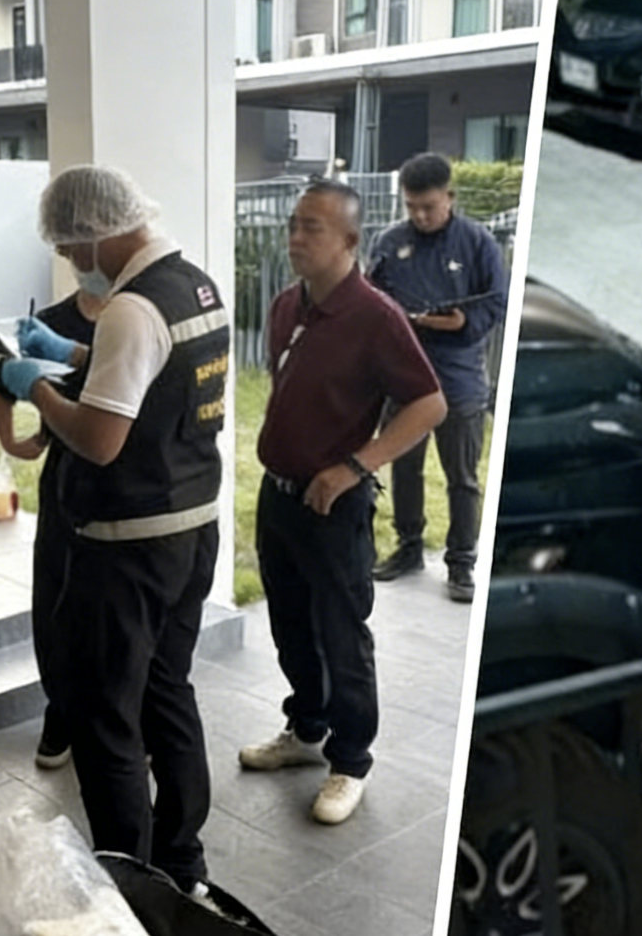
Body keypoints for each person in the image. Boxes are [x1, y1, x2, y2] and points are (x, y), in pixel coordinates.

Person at [0, 165, 228, 899]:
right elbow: (152, 372)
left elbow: (98, 440)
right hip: (192, 528)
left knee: (105, 717)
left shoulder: (131, 308)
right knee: (167, 692)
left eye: (69, 245)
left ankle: (130, 884)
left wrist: (36, 386)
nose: (70, 260)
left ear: (98, 230)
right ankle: (182, 864)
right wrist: (69, 355)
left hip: (128, 543)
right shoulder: (195, 286)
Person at [238, 181, 448, 824]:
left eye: (313, 228)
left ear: (350, 241)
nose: (296, 238)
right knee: (290, 626)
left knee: (341, 634)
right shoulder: (286, 305)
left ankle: (350, 761)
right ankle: (307, 729)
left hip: (335, 506)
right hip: (279, 496)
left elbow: (429, 404)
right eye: (294, 225)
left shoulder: (376, 316)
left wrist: (357, 465)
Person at [367, 153, 508, 603]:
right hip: (406, 373)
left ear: (450, 197)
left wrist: (464, 322)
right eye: (411, 207)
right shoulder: (389, 242)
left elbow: (498, 299)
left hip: (459, 375)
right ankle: (409, 546)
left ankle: (462, 561)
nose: (420, 216)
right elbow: (371, 299)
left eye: (428, 206)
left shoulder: (478, 242)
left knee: (462, 475)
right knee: (404, 464)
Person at [0, 290, 107, 771]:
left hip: (122, 482)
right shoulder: (52, 321)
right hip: (65, 478)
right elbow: (1, 379)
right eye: (68, 252)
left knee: (112, 610)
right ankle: (61, 713)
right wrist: (15, 441)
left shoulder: (135, 315)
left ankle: (120, 719)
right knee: (55, 603)